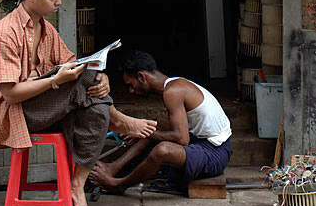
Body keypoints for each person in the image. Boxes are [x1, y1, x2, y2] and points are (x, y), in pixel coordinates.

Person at [0, 0, 157, 206]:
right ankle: (121, 122)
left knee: (96, 103)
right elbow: (10, 93)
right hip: (15, 115)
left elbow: (76, 65)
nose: (59, 2)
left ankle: (77, 187)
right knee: (82, 82)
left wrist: (103, 80)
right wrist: (55, 80)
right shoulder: (4, 34)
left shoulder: (46, 30)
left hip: (44, 108)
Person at [89, 50, 232, 194]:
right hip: (205, 143)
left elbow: (182, 139)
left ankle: (118, 184)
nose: (131, 91)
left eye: (131, 85)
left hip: (215, 154)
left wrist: (140, 131)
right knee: (155, 124)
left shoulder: (172, 92)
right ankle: (113, 167)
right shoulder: (175, 83)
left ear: (141, 76)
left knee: (162, 150)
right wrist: (143, 130)